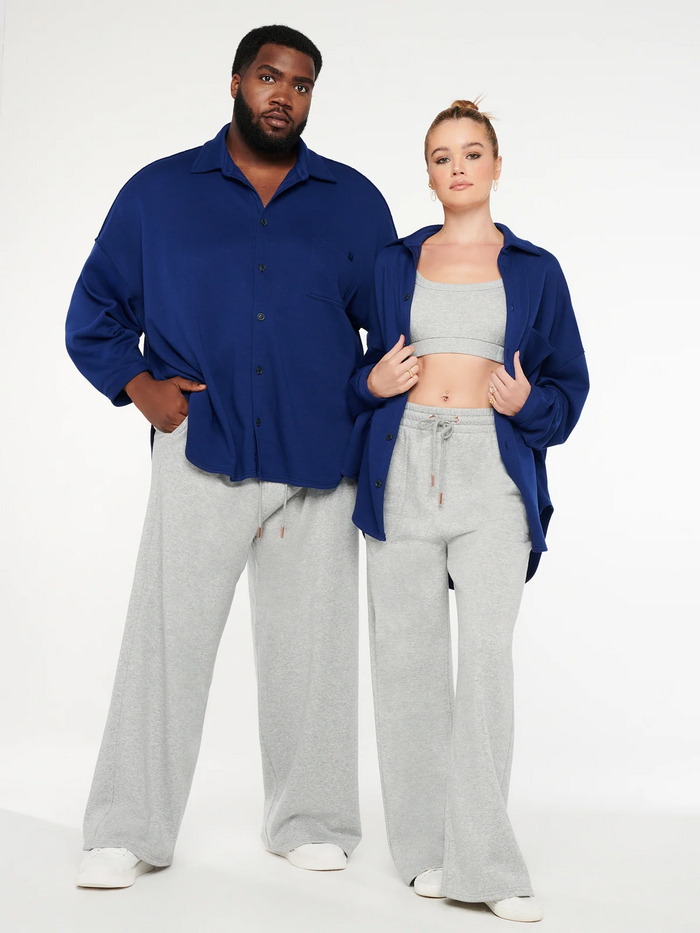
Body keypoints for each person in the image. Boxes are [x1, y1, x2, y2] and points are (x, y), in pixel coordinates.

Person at [65, 24, 396, 888]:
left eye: (302, 84)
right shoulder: (158, 193)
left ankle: (310, 818)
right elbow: (94, 310)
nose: (284, 95)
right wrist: (145, 389)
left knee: (313, 654)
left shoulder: (356, 203)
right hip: (200, 449)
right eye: (269, 77)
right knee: (164, 646)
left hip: (318, 463)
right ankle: (127, 827)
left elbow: (393, 337)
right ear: (237, 82)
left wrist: (363, 412)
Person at [343, 99, 589, 922]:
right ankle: (425, 851)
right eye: (443, 156)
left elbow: (569, 385)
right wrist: (369, 382)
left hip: (493, 473)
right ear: (428, 173)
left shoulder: (536, 268)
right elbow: (350, 367)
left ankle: (485, 862)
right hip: (403, 465)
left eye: (472, 153)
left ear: (495, 166)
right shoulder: (393, 262)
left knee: (485, 662)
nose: (458, 167)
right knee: (408, 665)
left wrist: (528, 405)